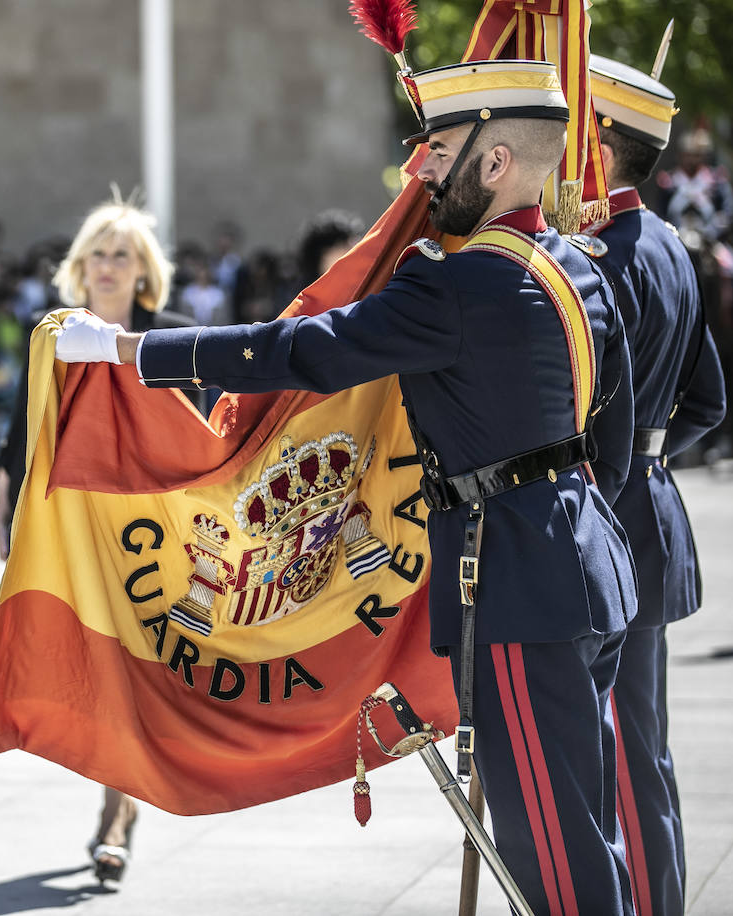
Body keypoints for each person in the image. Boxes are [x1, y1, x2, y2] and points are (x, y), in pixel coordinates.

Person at [56, 60, 639, 915]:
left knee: (551, 847)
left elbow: (299, 349)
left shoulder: (455, 280)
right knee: (590, 829)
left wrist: (128, 352)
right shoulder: (577, 267)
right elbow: (610, 441)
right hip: (589, 563)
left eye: (438, 151)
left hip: (519, 584)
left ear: (495, 163)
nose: (420, 172)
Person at [0, 197, 190, 885]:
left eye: (122, 255)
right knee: (99, 674)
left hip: (155, 537)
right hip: (75, 530)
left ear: (143, 271)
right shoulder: (53, 336)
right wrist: (4, 503)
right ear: (81, 266)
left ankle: (118, 814)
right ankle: (119, 808)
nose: (108, 266)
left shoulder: (173, 336)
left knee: (135, 674)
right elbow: (24, 426)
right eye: (98, 254)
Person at [586, 56, 728, 916]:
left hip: (606, 516)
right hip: (653, 502)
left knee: (616, 749)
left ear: (599, 148)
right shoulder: (672, 243)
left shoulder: (596, 255)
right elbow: (708, 399)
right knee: (645, 745)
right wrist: (651, 457)